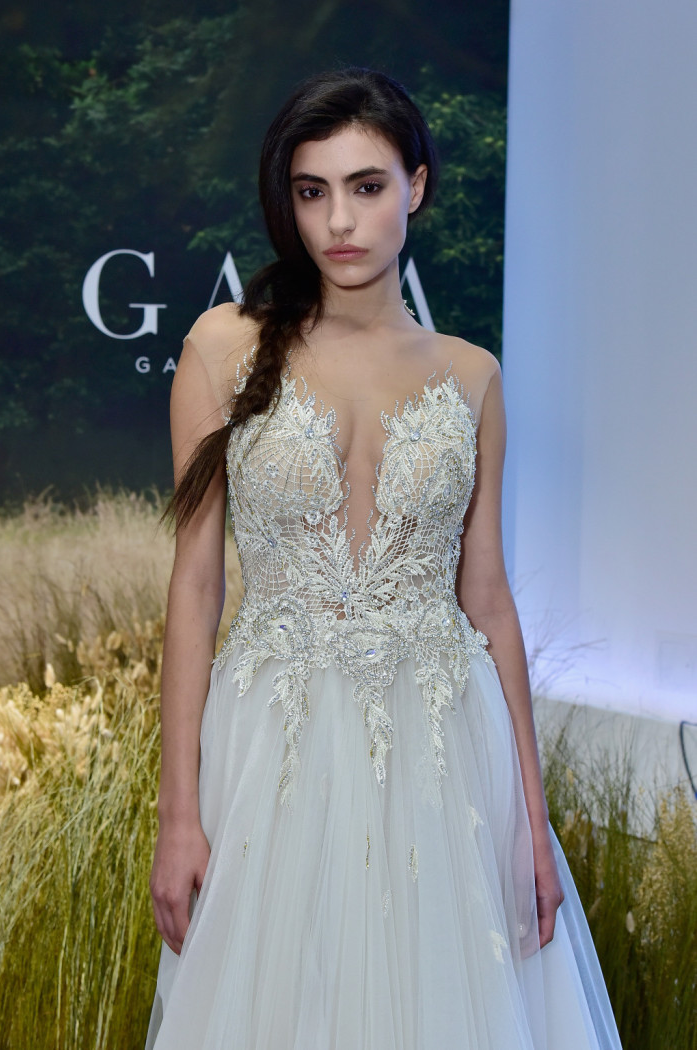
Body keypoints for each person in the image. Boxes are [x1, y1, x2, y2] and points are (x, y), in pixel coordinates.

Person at [146, 67, 622, 1050]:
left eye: (366, 186)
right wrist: (178, 812)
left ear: (416, 185)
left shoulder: (471, 374)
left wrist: (531, 822)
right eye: (311, 190)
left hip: (443, 747)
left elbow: (487, 600)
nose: (338, 221)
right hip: (273, 746)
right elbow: (195, 589)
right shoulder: (221, 347)